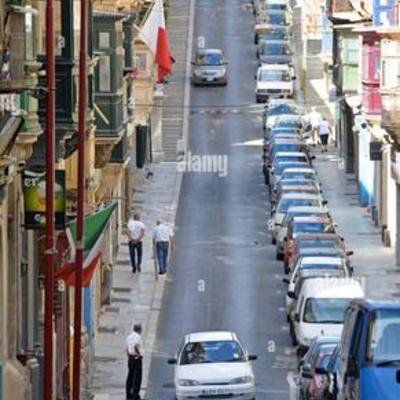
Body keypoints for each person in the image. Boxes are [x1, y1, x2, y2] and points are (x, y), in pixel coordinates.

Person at [126, 323, 144, 400]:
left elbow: (127, 348)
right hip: (136, 358)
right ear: (139, 330)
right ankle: (135, 396)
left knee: (130, 376)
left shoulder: (129, 337)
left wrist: (130, 355)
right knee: (137, 378)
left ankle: (128, 395)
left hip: (130, 358)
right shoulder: (137, 337)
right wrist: (138, 354)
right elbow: (136, 346)